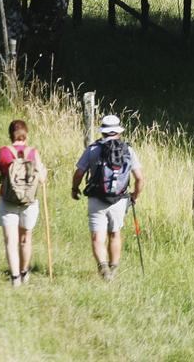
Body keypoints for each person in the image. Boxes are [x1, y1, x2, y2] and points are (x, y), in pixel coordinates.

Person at [71, 114, 143, 281]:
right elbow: (140, 178)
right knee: (115, 233)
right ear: (118, 131)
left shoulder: (93, 149)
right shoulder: (128, 150)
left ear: (102, 131)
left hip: (97, 199)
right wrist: (135, 196)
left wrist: (74, 188)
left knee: (97, 236)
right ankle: (113, 269)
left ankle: (103, 269)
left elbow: (79, 172)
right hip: (120, 199)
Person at [0, 119, 48, 285]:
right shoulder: (33, 153)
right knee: (25, 239)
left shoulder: (3, 152)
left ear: (10, 134)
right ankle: (24, 271)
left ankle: (15, 278)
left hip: (8, 201)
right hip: (29, 202)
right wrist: (44, 172)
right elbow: (41, 179)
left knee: (10, 241)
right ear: (26, 134)